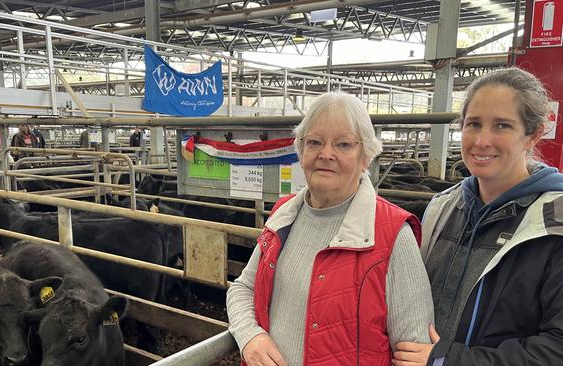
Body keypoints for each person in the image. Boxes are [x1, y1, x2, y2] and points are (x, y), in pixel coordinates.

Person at [227, 93, 434, 366]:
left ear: (366, 157)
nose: (326, 154)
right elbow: (242, 287)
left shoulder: (393, 234)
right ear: (301, 152)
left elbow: (413, 350)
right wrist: (249, 335)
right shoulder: (283, 215)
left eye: (344, 144)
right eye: (314, 142)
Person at [392, 68, 563, 366]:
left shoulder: (554, 223)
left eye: (502, 126)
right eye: (473, 124)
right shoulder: (441, 208)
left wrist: (448, 360)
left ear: (532, 135)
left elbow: (557, 348)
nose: (482, 140)